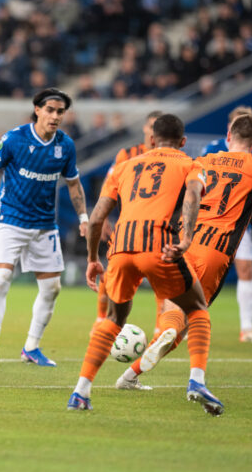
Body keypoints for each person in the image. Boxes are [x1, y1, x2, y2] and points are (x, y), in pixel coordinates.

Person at [117, 113, 252, 392]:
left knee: (175, 310)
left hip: (183, 241)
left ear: (228, 137)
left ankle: (130, 376)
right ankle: (181, 376)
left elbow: (180, 196)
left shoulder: (205, 160)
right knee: (191, 316)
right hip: (215, 250)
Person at [67, 114, 218, 415]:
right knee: (197, 308)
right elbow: (192, 197)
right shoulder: (191, 164)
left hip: (120, 248)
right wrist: (186, 239)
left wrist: (92, 259)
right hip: (157, 246)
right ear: (183, 141)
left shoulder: (124, 166)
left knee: (113, 319)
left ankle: (81, 392)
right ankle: (197, 381)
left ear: (150, 139)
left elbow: (96, 218)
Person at [0, 88, 89, 368]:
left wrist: (83, 217)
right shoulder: (13, 139)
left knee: (52, 288)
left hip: (44, 226)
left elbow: (74, 183)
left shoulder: (65, 146)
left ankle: (31, 347)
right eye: (50, 110)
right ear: (37, 109)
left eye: (60, 111)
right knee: (2, 279)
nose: (55, 116)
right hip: (11, 222)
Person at [201, 105, 252, 344]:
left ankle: (247, 329)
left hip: (239, 226)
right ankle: (184, 319)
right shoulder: (212, 149)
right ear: (230, 127)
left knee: (246, 270)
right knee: (196, 274)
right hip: (210, 226)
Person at [94, 111, 164, 335]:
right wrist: (102, 217)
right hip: (128, 225)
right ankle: (100, 318)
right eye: (151, 126)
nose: (154, 131)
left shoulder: (169, 156)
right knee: (110, 274)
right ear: (145, 127)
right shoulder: (127, 154)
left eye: (158, 127)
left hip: (158, 228)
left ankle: (160, 327)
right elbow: (110, 185)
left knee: (162, 278)